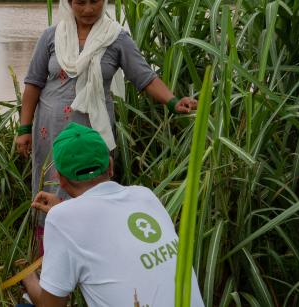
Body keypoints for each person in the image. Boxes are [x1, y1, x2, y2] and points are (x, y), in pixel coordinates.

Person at [15, 0, 198, 237]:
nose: (88, 9)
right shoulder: (51, 36)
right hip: (49, 132)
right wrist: (24, 128)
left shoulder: (116, 38)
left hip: (92, 133)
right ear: (69, 3)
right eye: (80, 2)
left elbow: (144, 77)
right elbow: (33, 83)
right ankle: (46, 255)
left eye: (95, 1)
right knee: (50, 183)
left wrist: (173, 102)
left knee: (92, 187)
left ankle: (93, 249)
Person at [21, 122, 205, 307]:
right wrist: (63, 208)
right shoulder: (144, 195)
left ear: (59, 178)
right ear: (110, 166)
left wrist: (27, 277)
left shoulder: (61, 219)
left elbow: (50, 305)